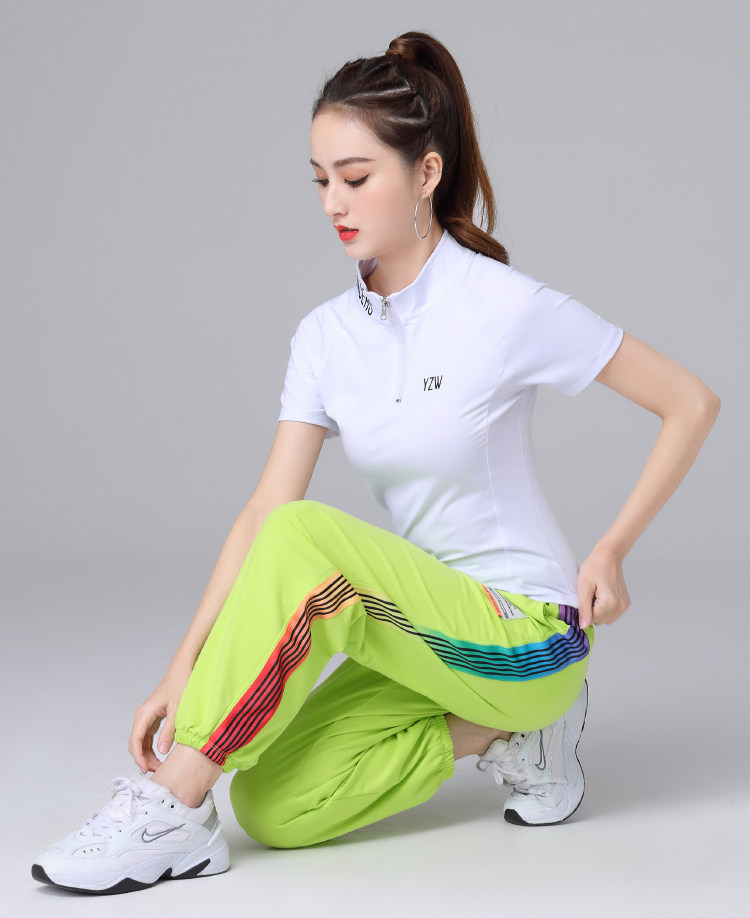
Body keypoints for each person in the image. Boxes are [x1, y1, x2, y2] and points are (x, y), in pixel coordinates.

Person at [32, 31, 720, 895]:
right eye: (321, 180)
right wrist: (182, 671)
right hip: (423, 634)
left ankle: (171, 804)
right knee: (276, 807)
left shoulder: (502, 306)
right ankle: (501, 735)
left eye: (356, 178)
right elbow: (261, 511)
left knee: (307, 539)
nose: (334, 203)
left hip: (528, 633)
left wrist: (611, 549)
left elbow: (690, 401)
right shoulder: (325, 337)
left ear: (426, 173)